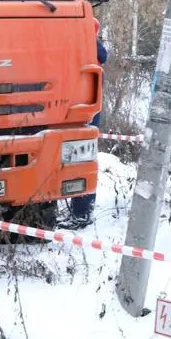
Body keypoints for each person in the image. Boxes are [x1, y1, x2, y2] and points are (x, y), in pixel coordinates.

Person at [61, 28, 107, 230]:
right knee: (74, 162)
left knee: (81, 162)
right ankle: (78, 211)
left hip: (85, 112)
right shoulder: (88, 48)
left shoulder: (89, 47)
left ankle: (81, 213)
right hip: (80, 110)